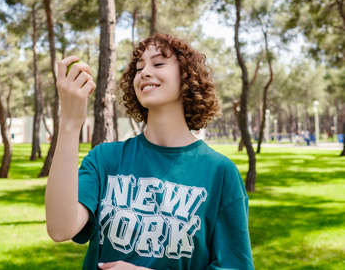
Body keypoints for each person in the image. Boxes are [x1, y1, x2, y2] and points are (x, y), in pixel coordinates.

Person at [45, 33, 254, 270]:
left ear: (187, 77)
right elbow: (60, 228)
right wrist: (71, 124)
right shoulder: (105, 159)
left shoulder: (221, 173)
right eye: (138, 67)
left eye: (158, 63)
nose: (144, 72)